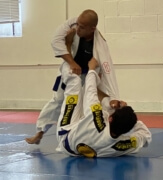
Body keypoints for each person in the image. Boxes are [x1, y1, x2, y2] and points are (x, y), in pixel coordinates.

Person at [25, 9, 122, 144]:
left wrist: (114, 95)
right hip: (70, 72)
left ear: (92, 28)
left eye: (82, 27)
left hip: (87, 75)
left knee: (91, 104)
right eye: (78, 24)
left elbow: (108, 70)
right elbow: (55, 41)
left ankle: (106, 133)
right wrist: (71, 59)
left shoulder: (100, 45)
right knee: (57, 101)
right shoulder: (72, 25)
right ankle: (40, 132)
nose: (78, 28)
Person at [56, 57, 152, 157]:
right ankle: (102, 88)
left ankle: (66, 64)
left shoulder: (97, 118)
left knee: (74, 81)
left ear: (110, 118)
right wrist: (130, 121)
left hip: (66, 135)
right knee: (107, 105)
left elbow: (90, 92)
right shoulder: (122, 145)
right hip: (78, 148)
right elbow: (146, 135)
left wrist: (92, 69)